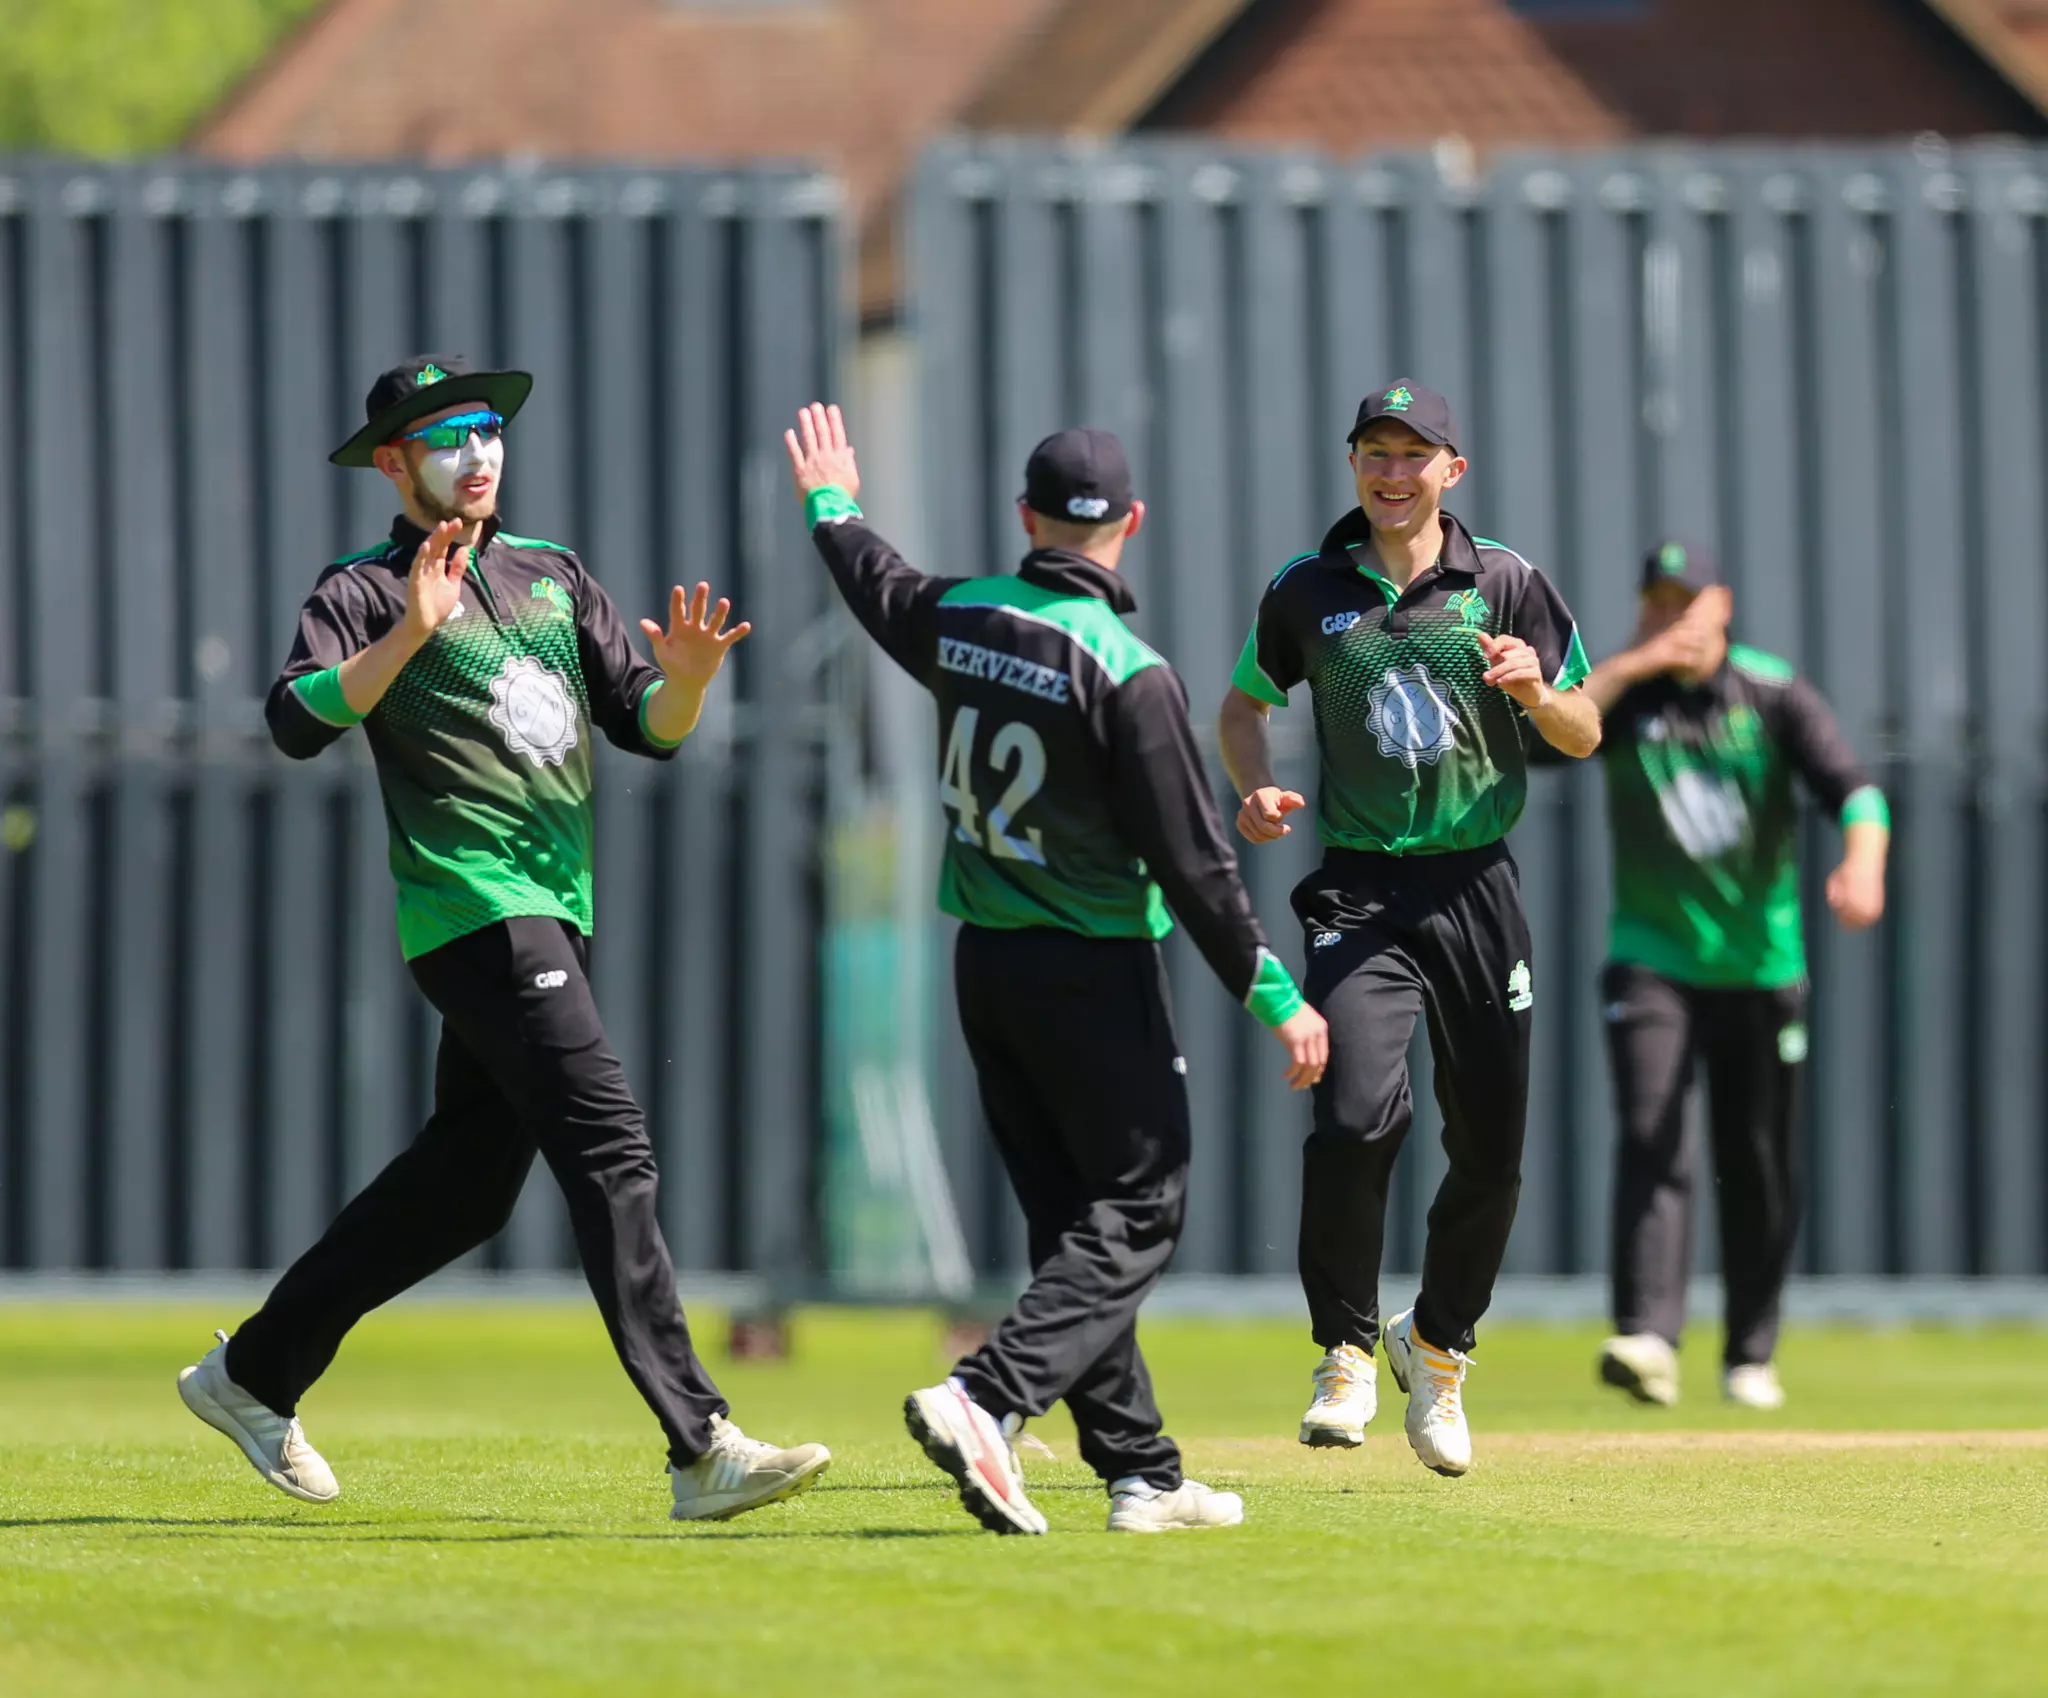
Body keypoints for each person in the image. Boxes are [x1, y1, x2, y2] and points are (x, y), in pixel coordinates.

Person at [177, 355, 830, 1523]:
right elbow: (291, 720)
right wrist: (406, 636)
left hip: (553, 911)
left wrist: (686, 682)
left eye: (485, 429)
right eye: (445, 438)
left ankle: (254, 1373)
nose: (477, 453)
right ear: (393, 463)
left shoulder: (550, 573)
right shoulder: (364, 588)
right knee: (611, 1150)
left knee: (467, 1190)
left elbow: (648, 726)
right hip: (472, 909)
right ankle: (701, 1446)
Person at [785, 403, 1329, 1535]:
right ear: (1132, 522)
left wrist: (831, 502)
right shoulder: (1128, 670)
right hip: (1093, 974)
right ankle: (986, 1398)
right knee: (1140, 1206)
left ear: (1025, 517)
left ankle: (1141, 1473)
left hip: (987, 967)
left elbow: (878, 583)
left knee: (1072, 1225)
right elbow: (1193, 862)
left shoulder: (962, 615)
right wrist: (1276, 997)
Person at [1218, 381, 1599, 1477]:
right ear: (1354, 464)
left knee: (1490, 1146)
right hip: (1360, 890)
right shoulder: (1307, 587)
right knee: (1352, 1114)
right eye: (1374, 453)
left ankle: (1434, 1347)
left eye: (1412, 455)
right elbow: (1242, 707)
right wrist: (1254, 788)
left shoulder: (1504, 581)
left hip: (1476, 887)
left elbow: (1583, 730)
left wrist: (1534, 693)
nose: (1392, 474)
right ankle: (1343, 1349)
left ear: (1451, 470)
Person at [1575, 540, 1887, 1410]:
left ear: (1723, 604)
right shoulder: (1624, 693)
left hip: (1760, 966)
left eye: (1689, 599)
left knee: (1758, 1160)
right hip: (1652, 959)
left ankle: (1750, 1352)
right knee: (1651, 1135)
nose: (1673, 615)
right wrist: (1629, 664)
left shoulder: (1772, 693)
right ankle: (1648, 1337)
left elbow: (1855, 790)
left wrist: (1864, 863)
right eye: (1658, 600)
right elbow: (1549, 737)